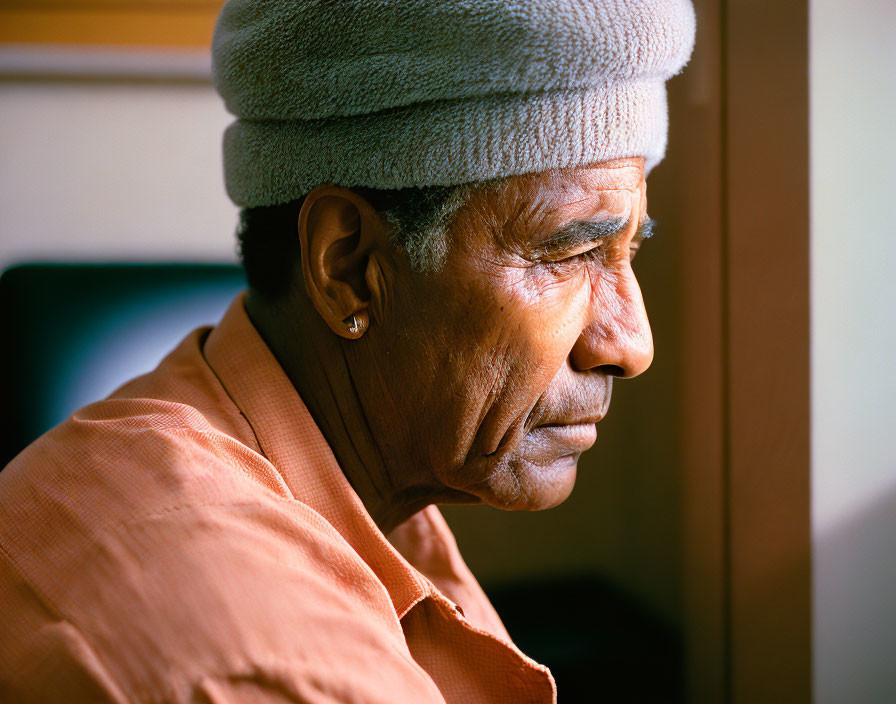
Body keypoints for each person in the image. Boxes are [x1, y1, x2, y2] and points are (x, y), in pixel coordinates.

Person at [0, 1, 695, 701]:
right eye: (571, 253)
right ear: (350, 268)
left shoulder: (347, 486)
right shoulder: (263, 660)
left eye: (628, 249)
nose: (632, 344)